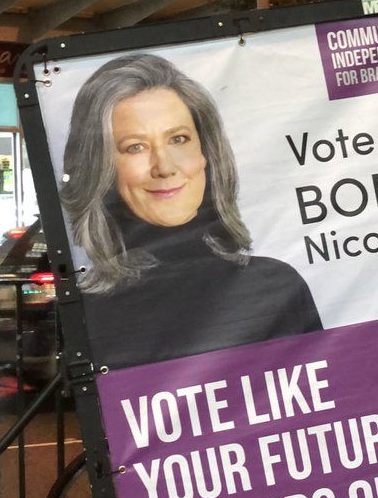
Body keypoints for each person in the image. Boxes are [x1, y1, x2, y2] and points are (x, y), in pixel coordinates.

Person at [60, 53, 321, 369]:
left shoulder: (276, 286)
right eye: (135, 147)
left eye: (178, 139)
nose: (165, 167)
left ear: (205, 154)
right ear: (100, 168)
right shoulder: (87, 309)